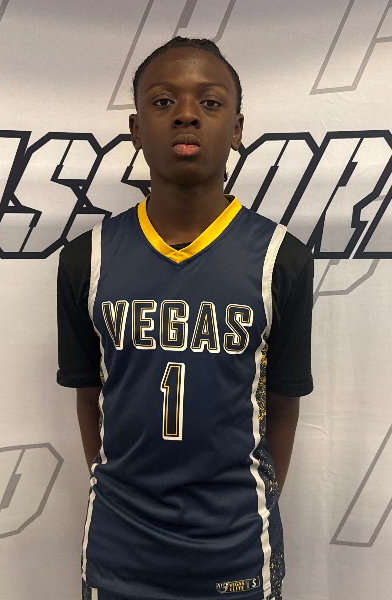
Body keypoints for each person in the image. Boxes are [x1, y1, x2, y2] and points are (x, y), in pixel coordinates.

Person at [57, 37, 313, 600]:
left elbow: (284, 406)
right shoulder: (86, 258)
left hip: (237, 547)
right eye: (164, 101)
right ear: (135, 128)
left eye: (210, 102)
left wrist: (247, 508)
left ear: (238, 128)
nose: (187, 114)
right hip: (120, 547)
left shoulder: (281, 258)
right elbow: (88, 397)